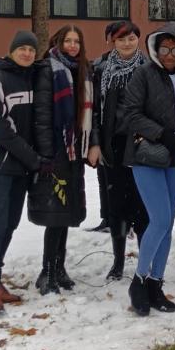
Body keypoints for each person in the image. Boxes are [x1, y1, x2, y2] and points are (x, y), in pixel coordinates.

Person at [122, 22, 175, 316]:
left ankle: (156, 284)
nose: (169, 54)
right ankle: (139, 280)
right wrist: (162, 134)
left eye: (174, 49)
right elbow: (130, 114)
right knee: (160, 219)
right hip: (147, 156)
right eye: (164, 49)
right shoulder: (144, 75)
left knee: (167, 225)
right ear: (155, 49)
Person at [28, 24, 100, 295]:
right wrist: (47, 154)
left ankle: (59, 267)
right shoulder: (48, 69)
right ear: (58, 42)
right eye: (67, 41)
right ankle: (47, 271)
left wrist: (91, 143)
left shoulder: (83, 70)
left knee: (65, 212)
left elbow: (91, 113)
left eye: (76, 41)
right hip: (56, 152)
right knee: (54, 214)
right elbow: (43, 116)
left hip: (74, 151)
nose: (72, 46)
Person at [0, 30, 41, 315]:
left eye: (31, 49)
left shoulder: (32, 80)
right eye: (22, 48)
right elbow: (0, 130)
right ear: (12, 50)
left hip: (22, 166)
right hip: (0, 165)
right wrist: (34, 158)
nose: (27, 53)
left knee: (11, 223)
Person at [92, 20, 149, 281]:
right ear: (113, 42)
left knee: (141, 206)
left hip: (139, 145)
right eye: (121, 39)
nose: (127, 43)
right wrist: (96, 142)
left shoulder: (149, 68)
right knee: (116, 207)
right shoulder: (101, 69)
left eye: (132, 38)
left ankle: (145, 259)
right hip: (112, 145)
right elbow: (94, 110)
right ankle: (117, 261)